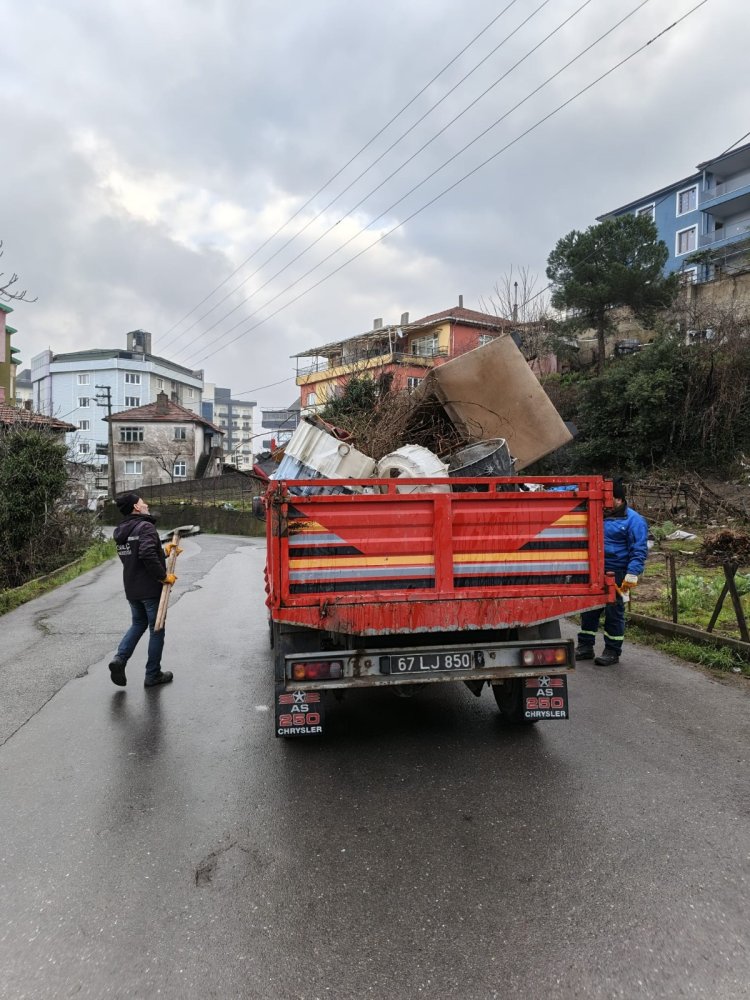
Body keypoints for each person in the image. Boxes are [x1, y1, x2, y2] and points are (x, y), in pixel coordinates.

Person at [575, 478, 648, 666]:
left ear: (618, 499)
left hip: (618, 573)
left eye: (608, 500)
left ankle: (612, 650)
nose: (604, 504)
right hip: (594, 570)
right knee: (589, 610)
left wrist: (632, 575)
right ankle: (585, 646)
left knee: (614, 611)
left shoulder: (634, 520)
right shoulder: (598, 514)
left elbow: (639, 550)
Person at [108, 493, 177, 688]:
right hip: (150, 588)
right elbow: (145, 553)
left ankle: (120, 659)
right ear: (136, 508)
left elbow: (134, 556)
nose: (145, 504)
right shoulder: (145, 526)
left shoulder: (121, 530)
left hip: (132, 587)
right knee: (157, 629)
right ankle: (153, 674)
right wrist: (163, 576)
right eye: (142, 502)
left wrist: (163, 552)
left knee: (138, 623)